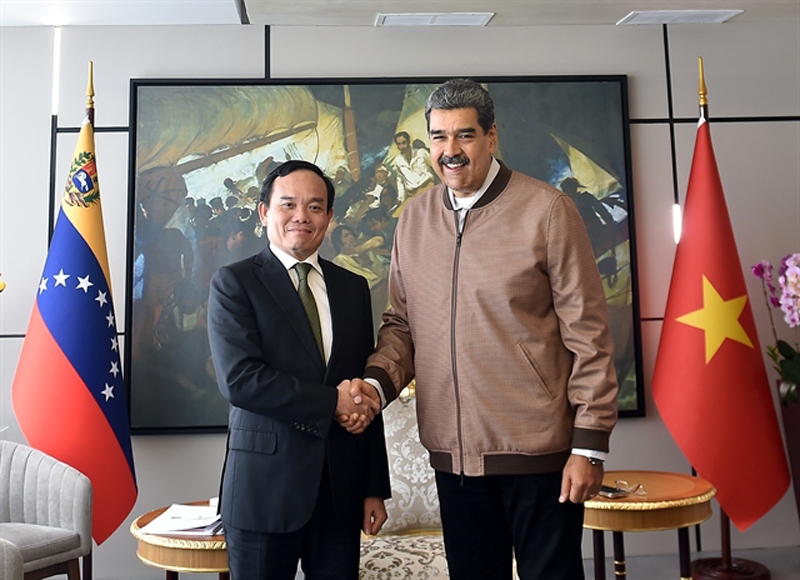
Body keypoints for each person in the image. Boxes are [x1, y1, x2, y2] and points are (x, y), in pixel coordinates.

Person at [347, 79, 619, 579]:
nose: (450, 151)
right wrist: (374, 385)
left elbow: (590, 334)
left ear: (492, 137)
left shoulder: (548, 211)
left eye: (464, 136)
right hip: (454, 460)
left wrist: (589, 446)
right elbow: (401, 327)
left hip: (540, 455)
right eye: (439, 137)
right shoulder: (413, 220)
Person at [207, 159, 390, 579]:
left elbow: (362, 390)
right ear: (264, 212)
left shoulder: (353, 288)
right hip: (264, 492)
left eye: (315, 206)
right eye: (288, 204)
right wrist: (332, 401)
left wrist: (373, 486)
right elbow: (241, 381)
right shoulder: (235, 283)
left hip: (339, 493)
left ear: (328, 216)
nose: (301, 217)